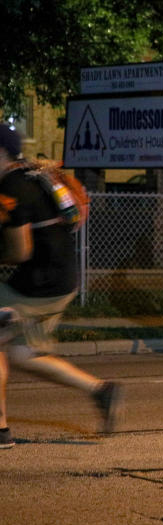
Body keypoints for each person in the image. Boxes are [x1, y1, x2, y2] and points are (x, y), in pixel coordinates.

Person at [0, 127, 123, 448]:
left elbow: (19, 251)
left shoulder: (11, 187)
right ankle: (100, 390)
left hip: (38, 283)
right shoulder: (33, 174)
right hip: (62, 278)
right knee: (22, 354)